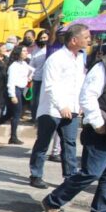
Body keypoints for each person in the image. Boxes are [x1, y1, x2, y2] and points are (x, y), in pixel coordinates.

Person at [40, 48, 106, 212]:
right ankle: (52, 201)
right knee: (91, 172)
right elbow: (87, 96)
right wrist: (98, 124)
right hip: (101, 129)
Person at [29, 24, 90, 188]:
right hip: (52, 109)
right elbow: (50, 86)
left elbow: (80, 84)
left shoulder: (80, 58)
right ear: (74, 40)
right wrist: (62, 105)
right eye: (86, 37)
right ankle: (36, 175)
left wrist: (81, 104)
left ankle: (69, 176)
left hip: (73, 109)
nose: (89, 40)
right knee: (43, 143)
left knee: (69, 144)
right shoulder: (56, 59)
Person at [0, 44, 33, 144]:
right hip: (14, 91)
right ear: (18, 53)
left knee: (9, 114)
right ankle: (13, 137)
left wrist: (29, 76)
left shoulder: (24, 64)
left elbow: (32, 70)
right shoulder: (14, 66)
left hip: (21, 90)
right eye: (24, 51)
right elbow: (11, 82)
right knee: (16, 114)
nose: (26, 52)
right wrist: (12, 95)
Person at [29, 30, 49, 123]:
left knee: (40, 100)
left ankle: (40, 119)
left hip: (46, 79)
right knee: (34, 101)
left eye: (44, 38)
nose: (42, 40)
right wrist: (29, 76)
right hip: (36, 78)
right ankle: (34, 118)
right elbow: (31, 64)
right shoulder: (36, 50)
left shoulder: (49, 50)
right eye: (41, 38)